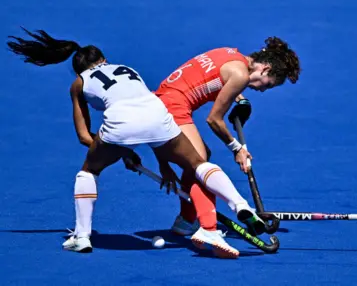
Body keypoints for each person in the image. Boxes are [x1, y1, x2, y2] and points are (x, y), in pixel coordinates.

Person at [6, 28, 267, 259]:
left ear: (78, 70)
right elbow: (146, 125)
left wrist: (121, 152)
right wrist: (133, 152)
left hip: (120, 124)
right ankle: (240, 205)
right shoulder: (127, 69)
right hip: (158, 113)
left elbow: (85, 136)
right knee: (198, 163)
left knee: (88, 171)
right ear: (104, 60)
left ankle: (81, 236)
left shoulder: (79, 83)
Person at [153, 37, 301, 236]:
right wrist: (236, 148)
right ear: (265, 69)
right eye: (269, 84)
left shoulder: (230, 53)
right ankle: (203, 225)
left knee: (201, 155)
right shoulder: (240, 75)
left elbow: (218, 77)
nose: (263, 90)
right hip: (173, 106)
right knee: (199, 163)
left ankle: (186, 219)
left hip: (162, 97)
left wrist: (240, 100)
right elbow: (214, 120)